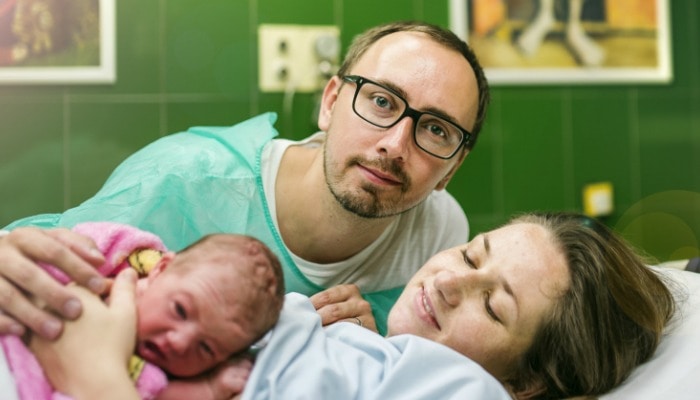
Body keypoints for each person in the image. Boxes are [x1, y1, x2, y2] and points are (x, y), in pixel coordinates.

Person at [0, 19, 490, 344]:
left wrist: (374, 333)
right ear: (330, 102)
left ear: (453, 169)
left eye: (435, 129)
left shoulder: (441, 236)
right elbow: (34, 268)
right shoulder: (184, 181)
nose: (395, 144)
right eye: (381, 101)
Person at [31, 212, 676, 400]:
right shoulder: (363, 346)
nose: (451, 280)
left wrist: (93, 379)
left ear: (528, 381)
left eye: (496, 305)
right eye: (474, 255)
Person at [0, 221, 284, 400]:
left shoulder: (159, 377)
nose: (180, 342)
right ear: (160, 269)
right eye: (181, 310)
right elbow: (67, 255)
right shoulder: (117, 267)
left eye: (207, 348)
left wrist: (209, 389)